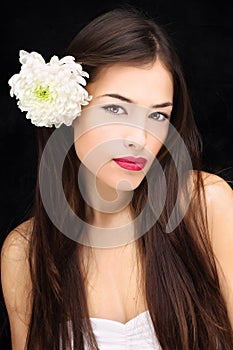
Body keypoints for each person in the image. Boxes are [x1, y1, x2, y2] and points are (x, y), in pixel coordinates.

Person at [1, 6, 233, 350]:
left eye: (157, 115)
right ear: (70, 110)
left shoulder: (205, 205)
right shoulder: (26, 253)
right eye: (115, 108)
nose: (139, 138)